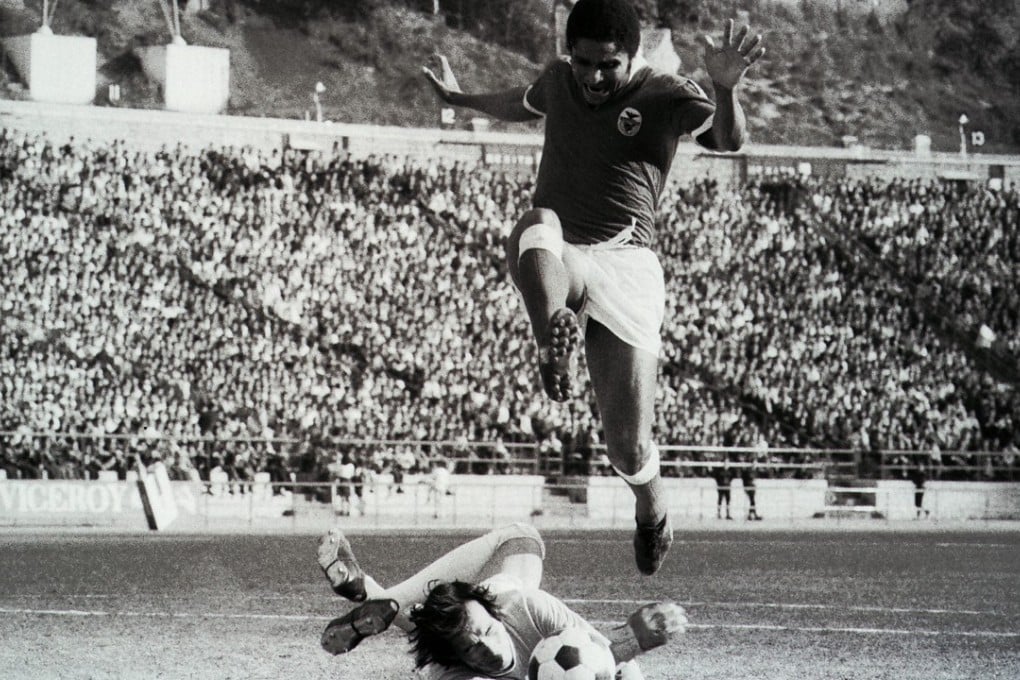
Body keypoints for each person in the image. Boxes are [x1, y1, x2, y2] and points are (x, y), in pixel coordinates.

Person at [423, 0, 764, 575]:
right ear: (569, 55)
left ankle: (651, 508)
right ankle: (550, 340)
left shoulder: (666, 92)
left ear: (631, 57)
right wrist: (459, 101)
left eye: (609, 65)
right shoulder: (560, 81)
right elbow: (520, 101)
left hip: (628, 263)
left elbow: (728, 141)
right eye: (584, 62)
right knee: (536, 224)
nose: (595, 76)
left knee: (626, 446)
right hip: (566, 255)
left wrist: (725, 88)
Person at [316, 523, 687, 679]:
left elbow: (598, 648)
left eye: (488, 632)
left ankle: (375, 595)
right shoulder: (455, 674)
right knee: (437, 631)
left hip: (501, 592)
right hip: (475, 614)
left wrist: (636, 637)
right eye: (471, 649)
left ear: (495, 618)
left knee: (522, 537)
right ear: (459, 662)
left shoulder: (529, 607)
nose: (487, 648)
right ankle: (374, 595)